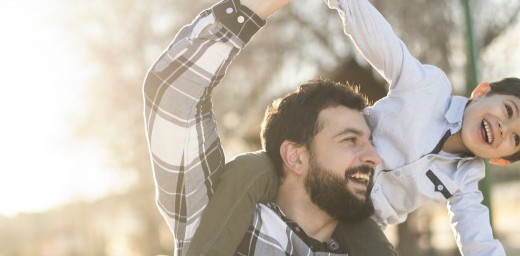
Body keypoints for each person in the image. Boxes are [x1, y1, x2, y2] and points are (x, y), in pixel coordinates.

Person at [189, 0, 520, 255]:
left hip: (357, 212)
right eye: (507, 111)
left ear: (503, 160)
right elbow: (384, 46)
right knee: (250, 169)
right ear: (482, 91)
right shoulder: (429, 89)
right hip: (318, 168)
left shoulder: (464, 184)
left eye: (515, 138)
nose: (504, 128)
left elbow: (478, 240)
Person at [143, 0, 395, 255]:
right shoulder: (220, 219)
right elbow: (173, 93)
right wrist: (251, 8)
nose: (374, 157)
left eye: (370, 142)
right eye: (350, 140)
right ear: (296, 157)